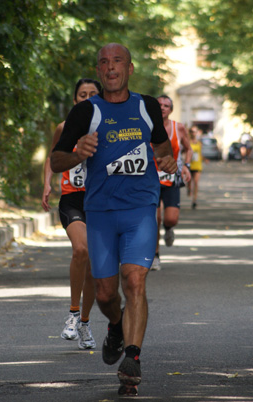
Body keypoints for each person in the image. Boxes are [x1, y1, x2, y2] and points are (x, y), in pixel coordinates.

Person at [50, 43, 177, 396]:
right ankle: (117, 327)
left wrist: (166, 160)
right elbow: (56, 159)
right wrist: (78, 153)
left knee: (134, 280)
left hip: (140, 208)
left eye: (117, 61)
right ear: (99, 69)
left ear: (129, 68)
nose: (110, 68)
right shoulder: (86, 112)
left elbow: (162, 148)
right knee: (106, 294)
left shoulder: (146, 106)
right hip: (101, 212)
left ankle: (132, 359)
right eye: (104, 62)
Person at [42, 78, 101, 349]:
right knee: (81, 250)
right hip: (72, 199)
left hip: (101, 201)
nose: (87, 98)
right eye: (82, 94)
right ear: (75, 99)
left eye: (92, 94)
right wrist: (47, 184)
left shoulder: (109, 128)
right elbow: (52, 156)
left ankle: (86, 323)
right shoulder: (64, 127)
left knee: (94, 268)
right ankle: (73, 314)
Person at [150, 95, 192, 271]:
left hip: (171, 178)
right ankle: (155, 256)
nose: (162, 108)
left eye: (166, 105)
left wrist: (186, 166)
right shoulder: (146, 126)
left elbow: (188, 149)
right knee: (155, 218)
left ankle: (169, 229)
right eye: (159, 104)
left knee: (170, 218)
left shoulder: (179, 128)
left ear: (171, 110)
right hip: (151, 178)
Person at [188, 125, 203, 210]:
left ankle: (194, 200)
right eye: (192, 131)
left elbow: (200, 154)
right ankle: (189, 188)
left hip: (197, 165)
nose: (193, 133)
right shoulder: (187, 142)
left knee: (196, 182)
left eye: (195, 131)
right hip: (189, 164)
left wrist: (205, 159)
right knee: (189, 182)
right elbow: (184, 151)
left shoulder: (199, 143)